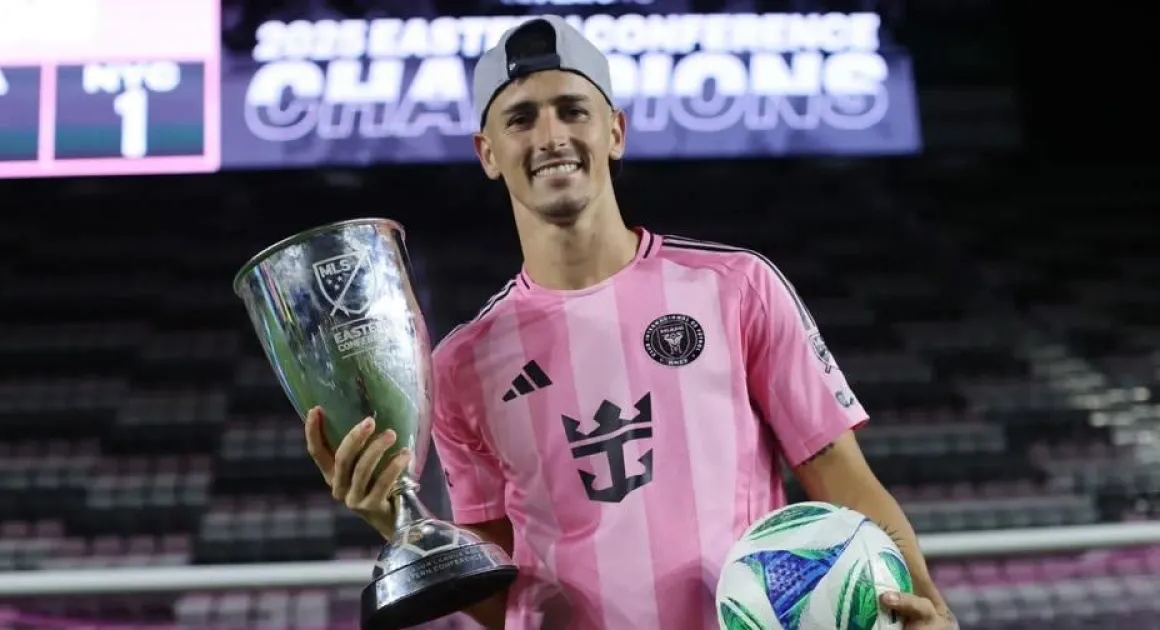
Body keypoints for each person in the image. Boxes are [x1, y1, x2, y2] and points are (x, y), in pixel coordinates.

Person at [304, 14, 957, 630]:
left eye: (573, 110)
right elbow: (502, 599)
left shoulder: (737, 288)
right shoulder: (460, 366)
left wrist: (931, 609)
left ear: (614, 131)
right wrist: (396, 523)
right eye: (521, 118)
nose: (551, 136)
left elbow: (846, 481)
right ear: (488, 152)